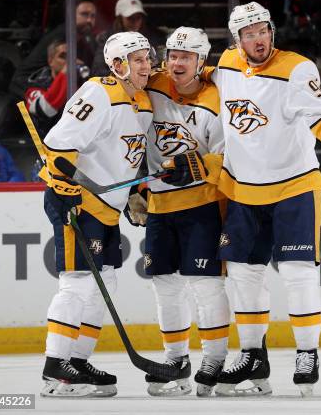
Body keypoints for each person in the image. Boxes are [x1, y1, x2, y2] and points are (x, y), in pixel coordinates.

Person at [191, 1, 321, 397]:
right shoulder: (227, 66)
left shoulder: (296, 68)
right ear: (237, 39)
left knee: (297, 272)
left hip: (294, 187)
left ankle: (307, 352)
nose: (258, 39)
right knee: (243, 273)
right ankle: (254, 354)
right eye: (248, 33)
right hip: (242, 188)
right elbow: (190, 78)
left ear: (272, 30)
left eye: (263, 30)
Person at [39, 31, 155, 397]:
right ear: (118, 65)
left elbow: (128, 157)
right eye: (137, 60)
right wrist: (62, 189)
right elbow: (59, 145)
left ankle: (78, 359)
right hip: (78, 202)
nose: (146, 65)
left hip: (107, 208)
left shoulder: (144, 103)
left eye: (147, 58)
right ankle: (56, 367)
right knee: (78, 283)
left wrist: (135, 192)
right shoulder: (98, 92)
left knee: (107, 281)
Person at [126, 27, 230, 397]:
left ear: (202, 62)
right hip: (158, 206)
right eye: (172, 55)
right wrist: (134, 186)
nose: (177, 63)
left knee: (205, 285)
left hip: (202, 205)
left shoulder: (217, 100)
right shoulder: (149, 85)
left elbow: (230, 155)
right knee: (165, 286)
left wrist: (201, 165)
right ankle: (176, 360)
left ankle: (215, 359)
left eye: (186, 57)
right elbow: (128, 134)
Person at [10, 0, 98, 98]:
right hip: (26, 89)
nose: (89, 20)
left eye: (93, 16)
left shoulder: (85, 39)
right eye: (84, 14)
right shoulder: (62, 36)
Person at [91, 0, 166, 77]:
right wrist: (127, 75)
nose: (135, 22)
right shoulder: (107, 40)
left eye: (138, 18)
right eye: (130, 18)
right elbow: (97, 71)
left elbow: (160, 66)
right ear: (120, 19)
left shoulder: (152, 38)